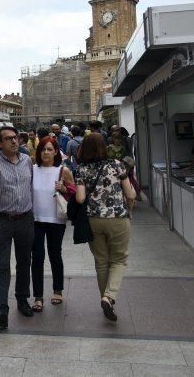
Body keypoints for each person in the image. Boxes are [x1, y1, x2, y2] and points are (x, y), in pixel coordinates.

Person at [75, 133, 136, 322]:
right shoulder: (117, 165)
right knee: (119, 259)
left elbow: (80, 199)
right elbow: (130, 194)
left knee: (101, 262)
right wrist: (130, 206)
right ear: (104, 146)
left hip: (93, 220)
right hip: (117, 218)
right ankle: (108, 297)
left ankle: (106, 299)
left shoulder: (81, 169)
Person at [0, 126, 35, 329]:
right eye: (8, 139)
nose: (14, 141)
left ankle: (22, 299)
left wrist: (32, 215)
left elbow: (30, 188)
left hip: (25, 219)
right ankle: (1, 310)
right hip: (2, 220)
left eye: (15, 138)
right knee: (2, 266)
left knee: (24, 262)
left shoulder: (26, 160)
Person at [31, 137, 75, 312]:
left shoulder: (62, 171)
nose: (46, 152)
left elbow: (75, 192)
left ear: (56, 152)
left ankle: (57, 290)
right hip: (35, 220)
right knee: (37, 257)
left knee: (55, 254)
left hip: (56, 220)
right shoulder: (32, 169)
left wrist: (64, 189)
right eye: (43, 149)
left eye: (50, 149)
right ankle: (38, 296)